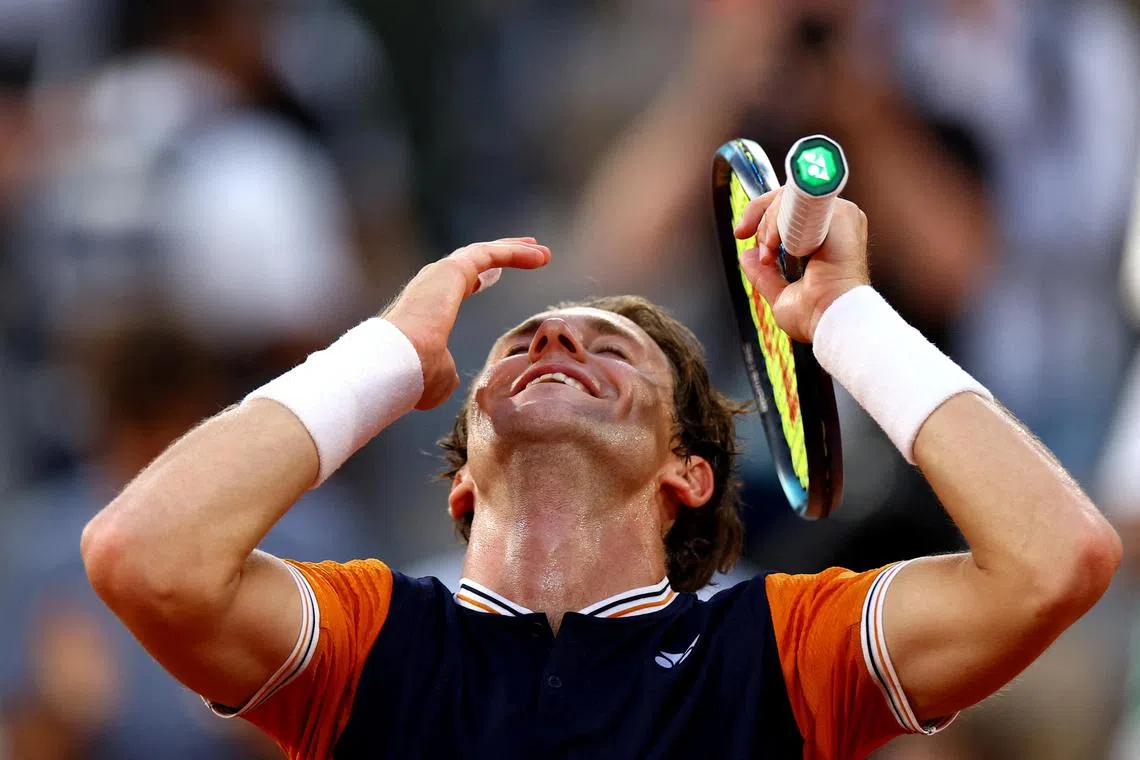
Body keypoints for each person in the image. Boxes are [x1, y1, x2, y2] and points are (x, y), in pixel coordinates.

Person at [80, 192, 1121, 759]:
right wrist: (385, 351)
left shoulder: (779, 651)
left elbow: (1055, 558)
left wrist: (842, 320)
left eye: (609, 351)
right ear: (461, 483)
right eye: (524, 342)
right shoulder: (372, 638)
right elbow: (141, 554)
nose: (556, 342)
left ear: (691, 474)